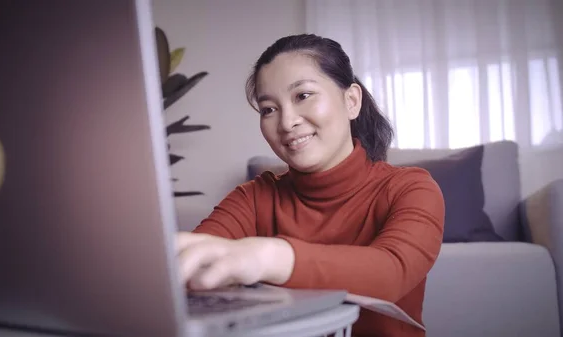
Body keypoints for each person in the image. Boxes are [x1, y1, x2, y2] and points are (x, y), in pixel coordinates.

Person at [176, 34, 445, 337]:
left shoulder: (411, 189)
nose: (287, 122)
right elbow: (195, 264)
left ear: (351, 101)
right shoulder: (253, 197)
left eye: (303, 95)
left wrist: (267, 257)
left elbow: (391, 272)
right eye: (268, 109)